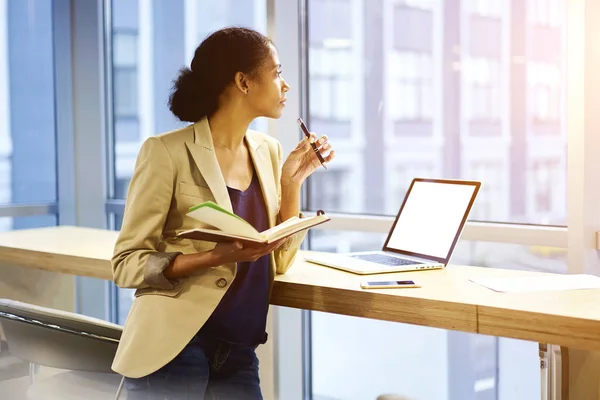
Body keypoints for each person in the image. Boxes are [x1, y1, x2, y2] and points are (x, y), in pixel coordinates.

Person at [110, 26, 334, 399]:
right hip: (174, 348)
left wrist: (292, 184)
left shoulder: (269, 151)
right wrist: (215, 257)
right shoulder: (166, 152)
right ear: (243, 82)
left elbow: (278, 262)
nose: (285, 85)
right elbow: (127, 263)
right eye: (277, 72)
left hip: (239, 355)